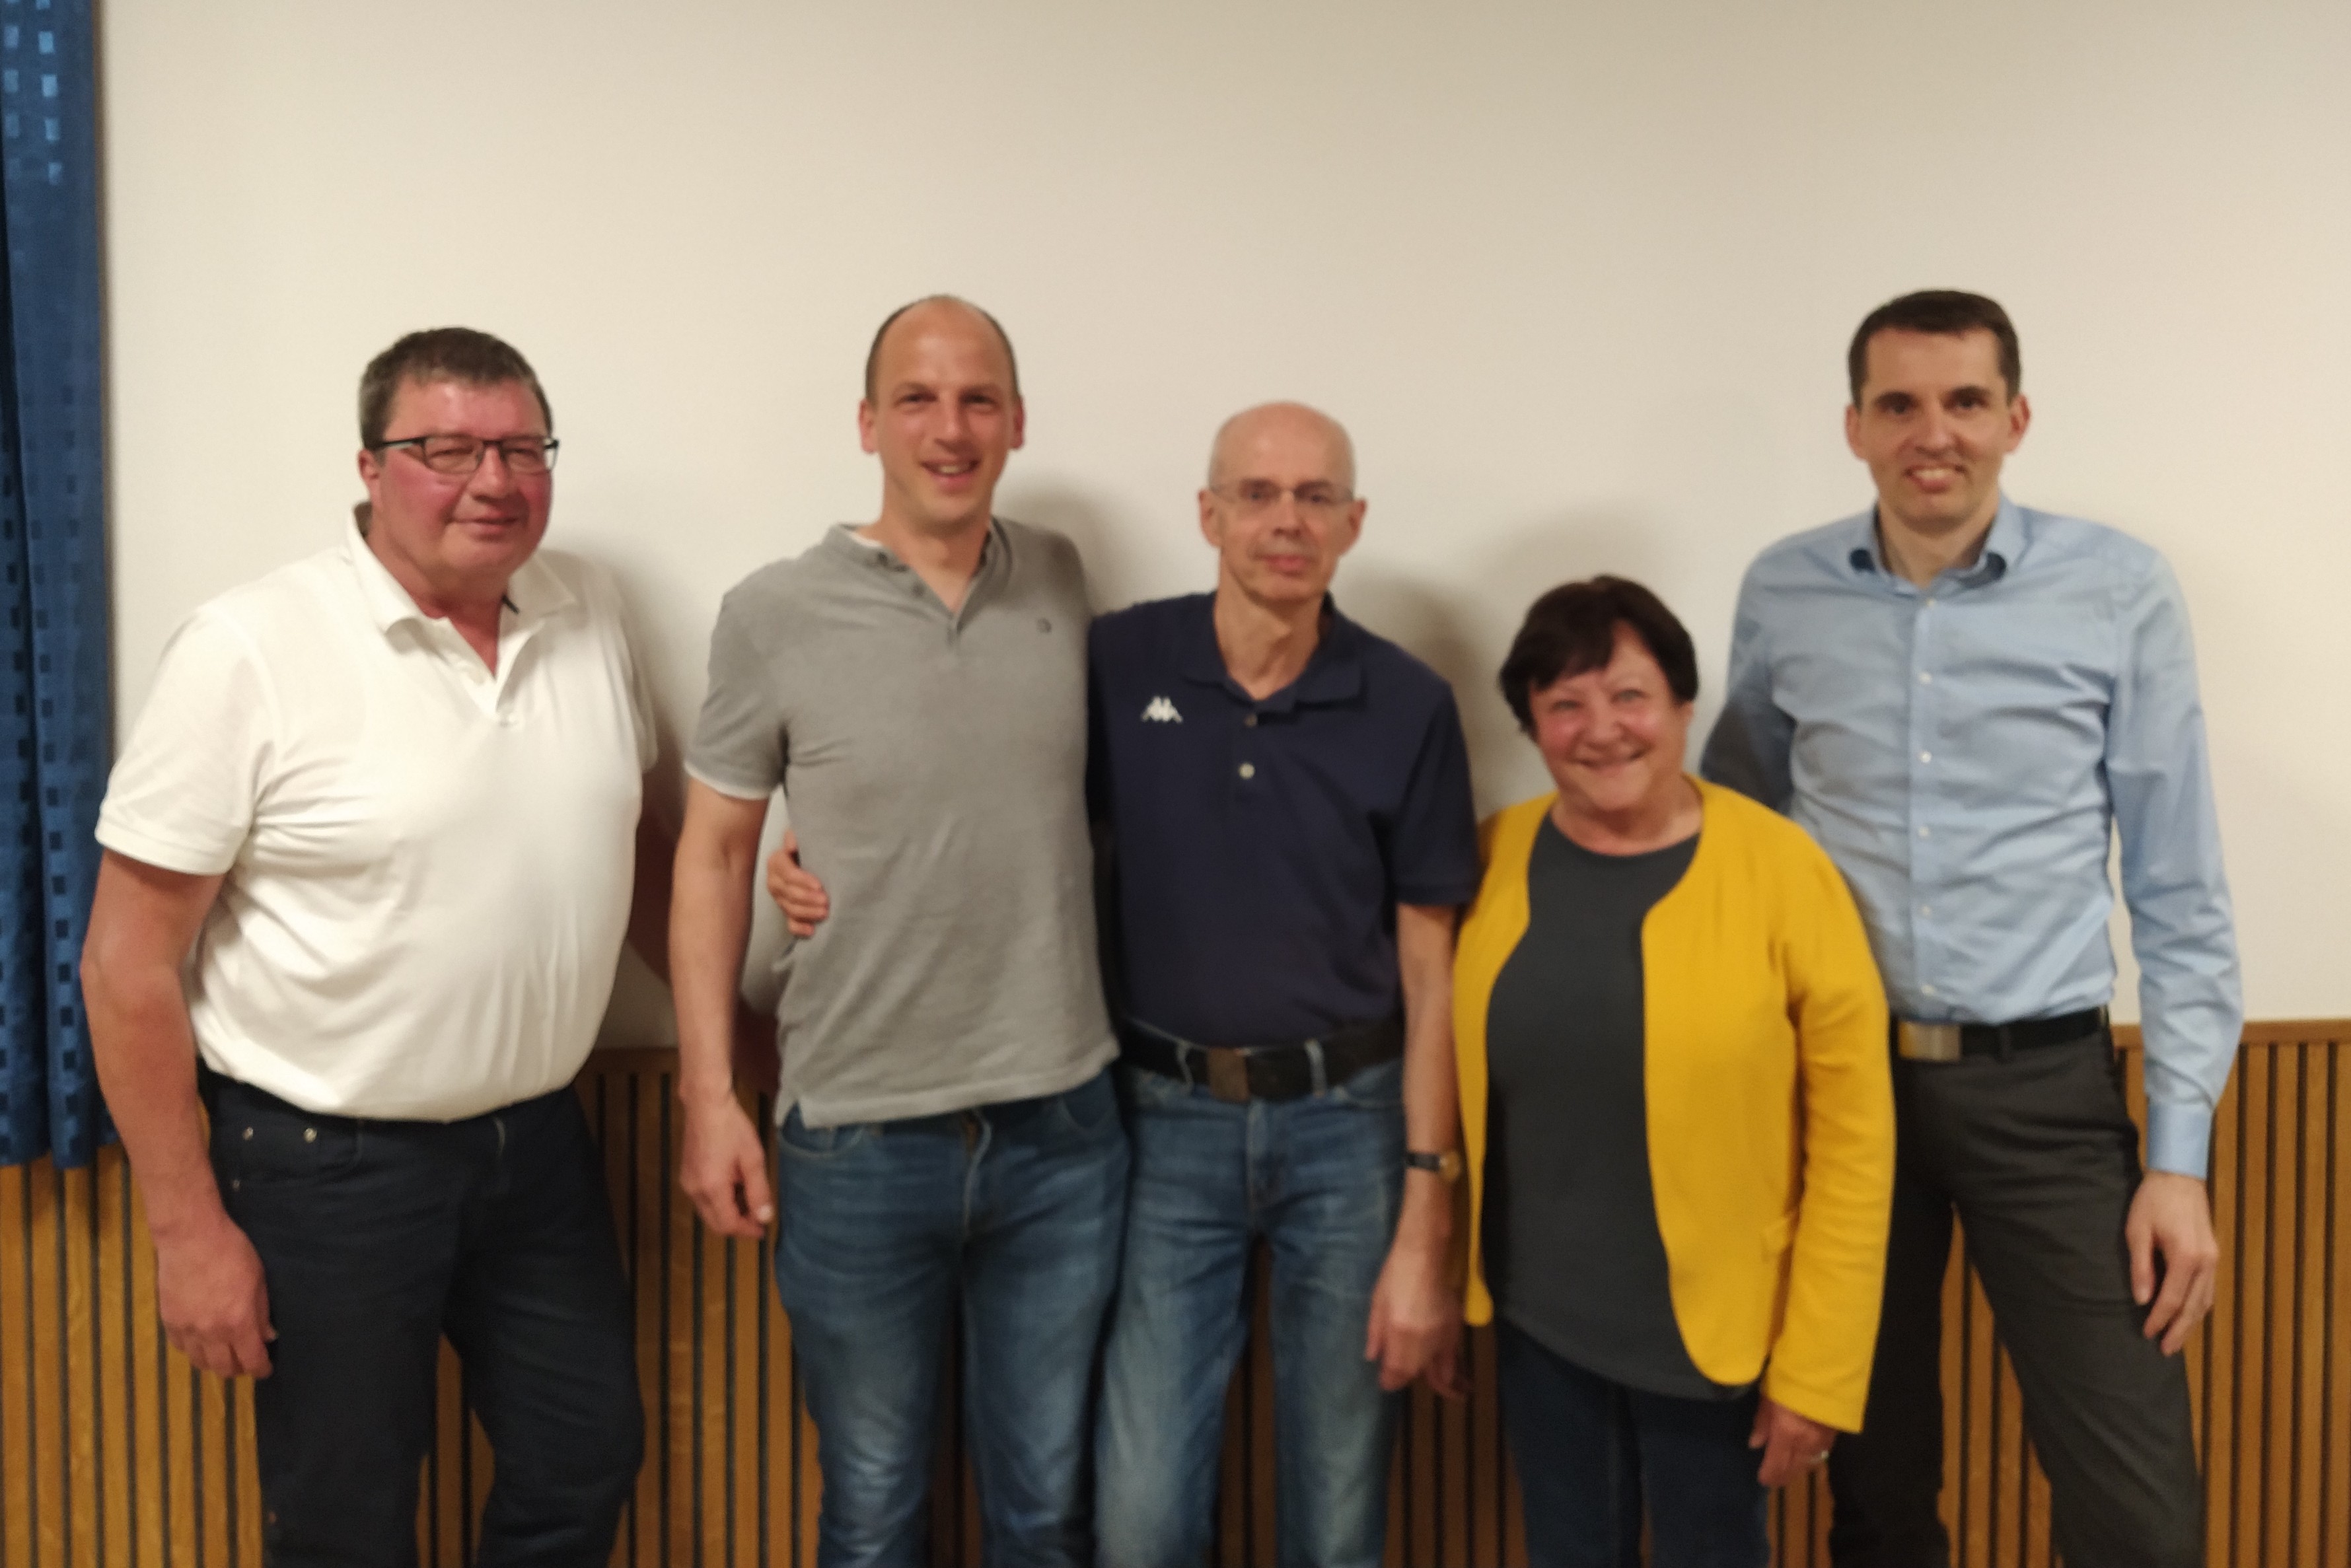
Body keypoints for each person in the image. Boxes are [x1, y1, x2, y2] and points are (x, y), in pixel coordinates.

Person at [774, 401, 1481, 1568]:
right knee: (1140, 1520)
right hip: (1163, 1121)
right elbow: (988, 785)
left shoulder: (1407, 703)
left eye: (1316, 497)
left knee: (1339, 1507)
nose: (1287, 521)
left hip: (1350, 1128)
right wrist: (814, 848)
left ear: (1354, 523)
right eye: (1257, 494)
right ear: (1209, 515)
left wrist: (1427, 1205)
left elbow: (1431, 965)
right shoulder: (1121, 662)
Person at [81, 328, 659, 1567]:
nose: (493, 480)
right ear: (369, 466)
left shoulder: (590, 610)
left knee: (585, 1454)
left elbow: (638, 845)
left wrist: (733, 1034)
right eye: (447, 450)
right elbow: (126, 964)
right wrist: (187, 1231)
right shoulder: (250, 646)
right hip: (323, 1166)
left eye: (522, 449)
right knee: (345, 1521)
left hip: (537, 1149)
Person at [1702, 289, 2243, 1568]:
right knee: (1876, 1493)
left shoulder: (2117, 588)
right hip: (1842, 1092)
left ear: (2016, 417)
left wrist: (2178, 1161)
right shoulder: (1782, 590)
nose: (1930, 432)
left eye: (1963, 401)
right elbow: (1737, 840)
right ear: (1853, 426)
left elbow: (2179, 891)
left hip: (2044, 1091)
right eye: (1897, 404)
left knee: (2138, 1513)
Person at [670, 296, 1127, 1568]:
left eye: (979, 399)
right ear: (868, 424)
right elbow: (713, 853)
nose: (950, 428)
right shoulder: (773, 610)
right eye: (917, 399)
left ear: (1018, 422)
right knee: (873, 1514)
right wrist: (708, 1098)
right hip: (859, 1135)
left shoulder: (1063, 579)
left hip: (1062, 1131)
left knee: (1047, 1513)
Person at [1453, 576, 1893, 1568]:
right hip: (1541, 1324)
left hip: (1721, 1339)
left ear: (1685, 705)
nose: (1603, 729)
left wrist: (1818, 1371)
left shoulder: (1784, 870)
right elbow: (1451, 1090)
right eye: (1565, 703)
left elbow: (1857, 1149)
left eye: (1630, 696)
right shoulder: (1492, 857)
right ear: (1531, 724)